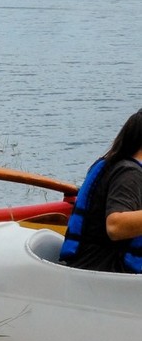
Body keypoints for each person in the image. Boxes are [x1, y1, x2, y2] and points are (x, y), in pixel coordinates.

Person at [59, 109, 142, 273]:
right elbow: (115, 226)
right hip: (106, 270)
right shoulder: (129, 174)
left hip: (92, 264)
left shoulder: (115, 164)